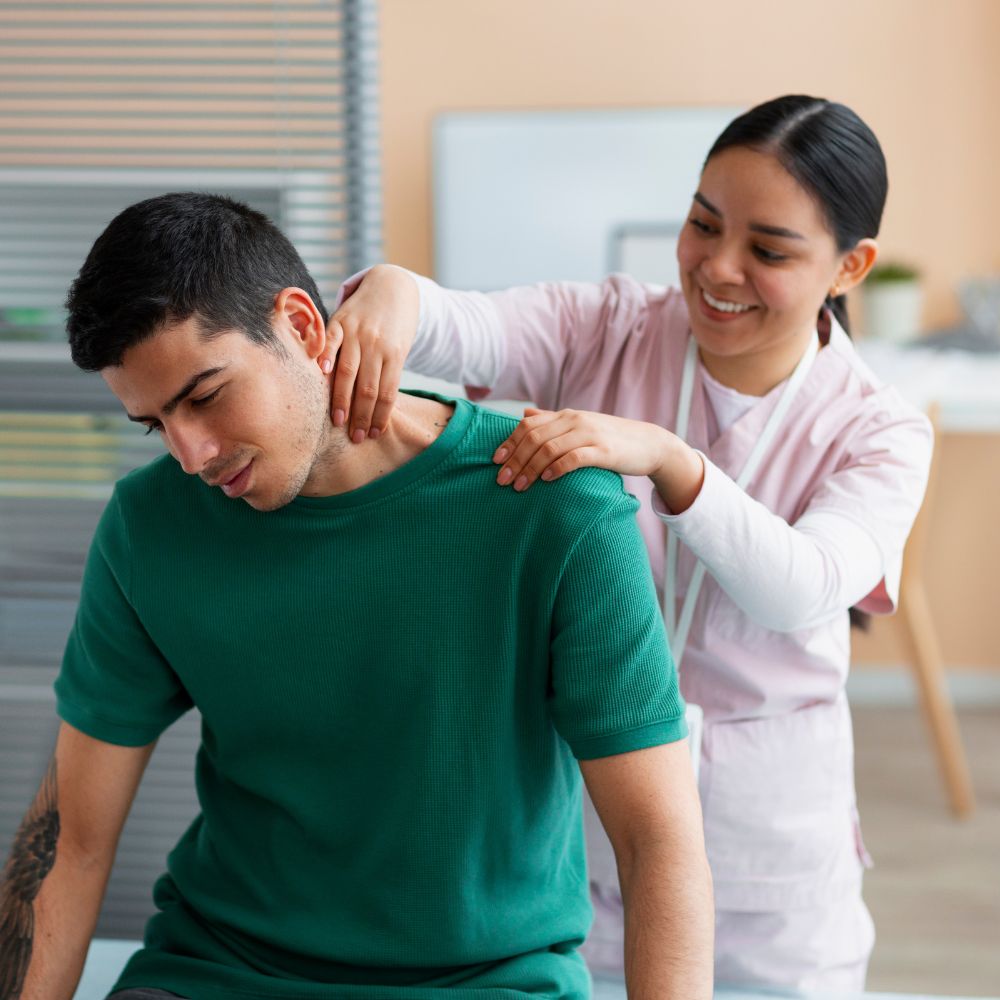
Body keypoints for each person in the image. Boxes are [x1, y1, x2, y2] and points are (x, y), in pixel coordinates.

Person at [0, 193, 713, 1000]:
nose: (190, 453)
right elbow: (69, 842)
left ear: (303, 327)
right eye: (154, 423)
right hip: (217, 973)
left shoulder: (555, 510)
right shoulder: (149, 527)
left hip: (483, 984)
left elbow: (657, 840)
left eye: (204, 395)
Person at [318, 94, 934, 992]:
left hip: (770, 865)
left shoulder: (880, 430)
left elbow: (805, 587)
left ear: (851, 266)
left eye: (768, 250)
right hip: (585, 836)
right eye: (700, 224)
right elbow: (468, 324)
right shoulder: (609, 325)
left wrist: (670, 462)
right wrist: (394, 293)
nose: (717, 268)